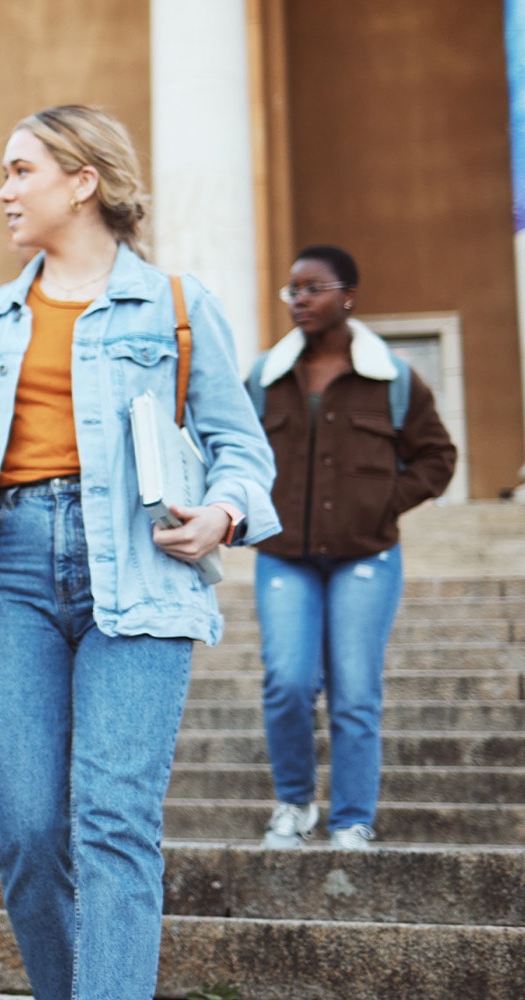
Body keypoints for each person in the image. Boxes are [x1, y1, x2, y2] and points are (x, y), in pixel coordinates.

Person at [0, 105, 278, 1000]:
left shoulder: (178, 304)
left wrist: (223, 512)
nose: (4, 190)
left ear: (83, 181)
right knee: (25, 829)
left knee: (114, 820)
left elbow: (243, 450)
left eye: (22, 171)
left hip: (139, 568)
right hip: (7, 573)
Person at [251, 244, 456, 851]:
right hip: (285, 554)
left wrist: (385, 501)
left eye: (313, 287)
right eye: (293, 290)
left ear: (348, 295)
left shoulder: (392, 377)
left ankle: (350, 819)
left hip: (366, 555)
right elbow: (231, 445)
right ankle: (294, 805)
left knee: (355, 689)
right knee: (286, 680)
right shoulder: (264, 376)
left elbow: (437, 456)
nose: (300, 299)